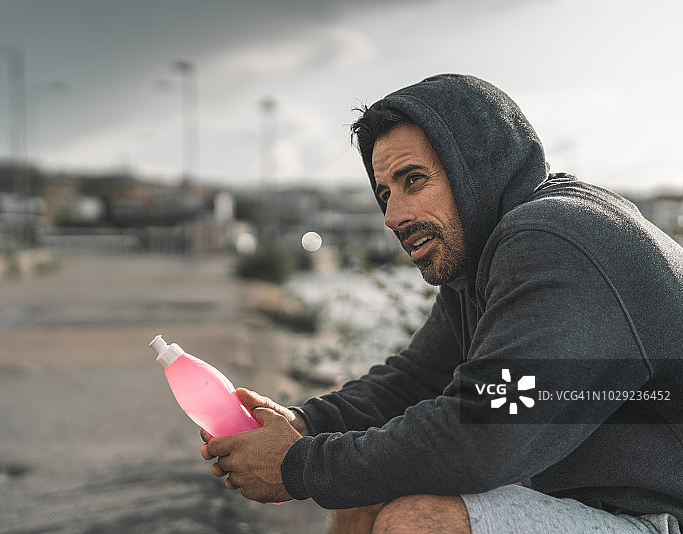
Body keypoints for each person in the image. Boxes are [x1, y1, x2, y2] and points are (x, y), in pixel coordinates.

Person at [200, 74, 683, 533]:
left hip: (659, 517)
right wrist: (303, 423)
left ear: (477, 168)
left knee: (419, 521)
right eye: (384, 193)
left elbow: (483, 433)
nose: (393, 216)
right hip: (596, 505)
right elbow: (414, 381)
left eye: (415, 180)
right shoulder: (480, 260)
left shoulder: (555, 238)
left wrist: (297, 465)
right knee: (369, 486)